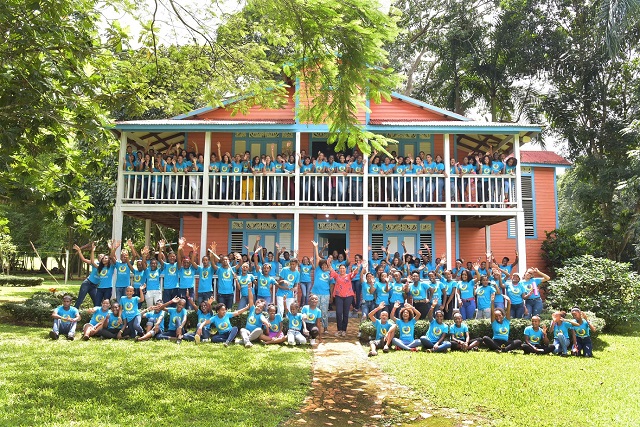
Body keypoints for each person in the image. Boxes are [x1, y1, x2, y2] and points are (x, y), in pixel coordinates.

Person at [329, 249, 359, 337]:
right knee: (338, 313)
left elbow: (355, 272)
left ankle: (344, 330)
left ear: (345, 269)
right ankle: (339, 329)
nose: (342, 270)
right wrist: (328, 262)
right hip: (338, 296)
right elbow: (330, 269)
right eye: (340, 268)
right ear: (339, 269)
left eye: (343, 268)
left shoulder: (349, 275)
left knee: (345, 313)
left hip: (348, 297)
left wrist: (359, 265)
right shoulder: (336, 275)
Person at [312, 241, 332, 333]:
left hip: (325, 294)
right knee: (315, 310)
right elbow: (317, 258)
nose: (324, 266)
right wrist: (316, 247)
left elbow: (332, 285)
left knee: (324, 312)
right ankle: (315, 327)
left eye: (325, 265)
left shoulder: (330, 273)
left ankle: (325, 328)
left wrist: (331, 296)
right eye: (322, 265)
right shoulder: (318, 270)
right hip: (315, 293)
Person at [72, 242, 101, 308]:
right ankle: (73, 314)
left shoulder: (106, 267)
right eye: (100, 257)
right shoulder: (95, 263)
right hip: (87, 283)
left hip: (94, 286)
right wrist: (79, 250)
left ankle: (97, 317)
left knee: (97, 303)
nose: (101, 258)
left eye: (103, 257)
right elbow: (83, 259)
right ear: (98, 259)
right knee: (80, 300)